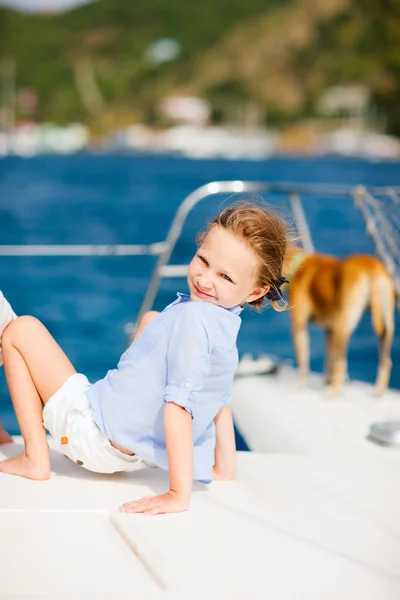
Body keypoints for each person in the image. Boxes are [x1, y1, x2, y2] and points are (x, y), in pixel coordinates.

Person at [0, 201, 289, 515]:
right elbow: (219, 398)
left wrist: (178, 493)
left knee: (20, 330)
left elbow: (178, 407)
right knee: (152, 318)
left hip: (92, 436)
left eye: (225, 277)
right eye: (203, 260)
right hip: (130, 452)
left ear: (256, 292)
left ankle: (34, 457)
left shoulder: (192, 321)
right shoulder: (225, 329)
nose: (205, 280)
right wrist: (223, 467)